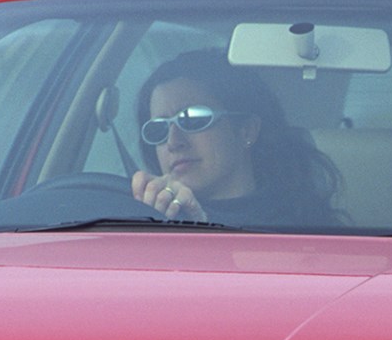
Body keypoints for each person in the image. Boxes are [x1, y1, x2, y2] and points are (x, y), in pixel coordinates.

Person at [132, 49, 340, 226]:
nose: (173, 142)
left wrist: (199, 225)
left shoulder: (307, 230)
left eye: (194, 119)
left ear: (247, 130)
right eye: (158, 128)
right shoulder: (134, 222)